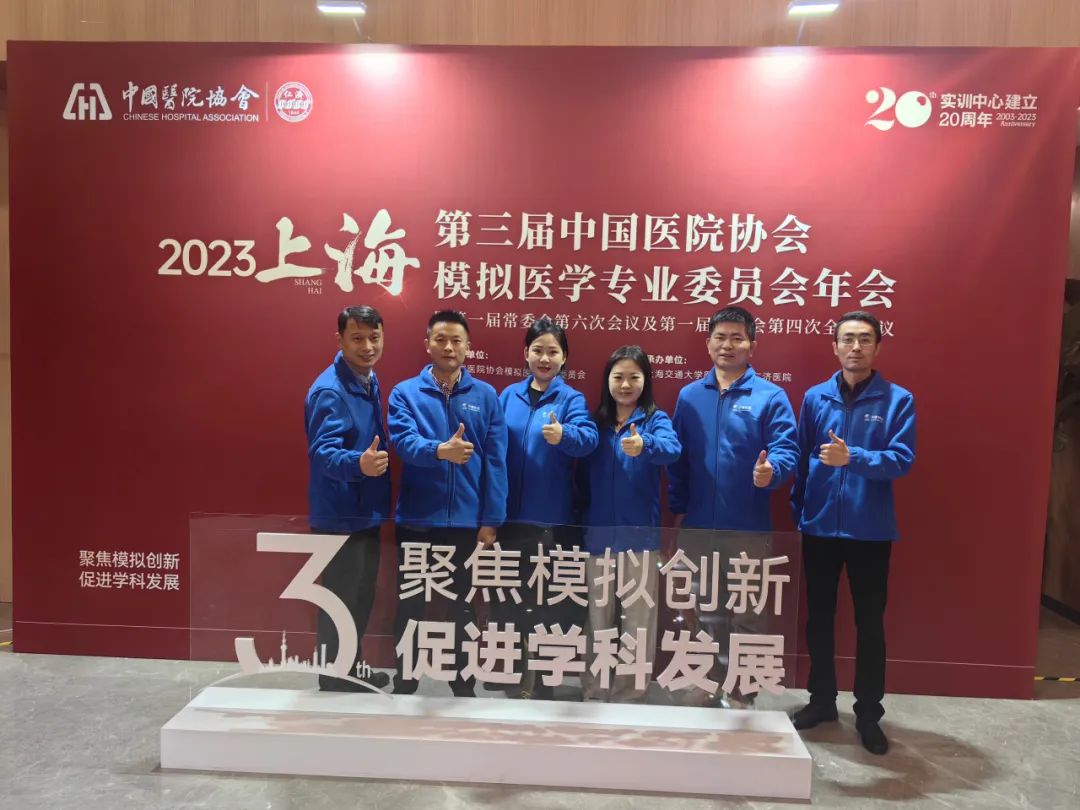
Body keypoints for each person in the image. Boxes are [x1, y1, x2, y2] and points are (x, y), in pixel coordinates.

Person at [790, 311, 916, 755]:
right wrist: (801, 512)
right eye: (847, 339)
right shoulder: (815, 397)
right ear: (835, 347)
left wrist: (854, 458)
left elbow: (902, 459)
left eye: (864, 339)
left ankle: (867, 714)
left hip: (870, 531)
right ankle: (822, 701)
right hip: (820, 526)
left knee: (869, 624)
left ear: (878, 347)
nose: (855, 347)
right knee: (819, 618)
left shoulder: (897, 400)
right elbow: (802, 457)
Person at [666, 305, 799, 704]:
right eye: (720, 337)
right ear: (708, 343)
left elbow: (786, 449)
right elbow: (678, 460)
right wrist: (679, 512)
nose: (728, 345)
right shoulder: (690, 396)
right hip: (697, 528)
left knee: (748, 615)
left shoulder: (770, 396)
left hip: (747, 529)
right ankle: (709, 686)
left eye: (737, 338)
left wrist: (772, 471)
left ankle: (743, 696)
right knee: (705, 613)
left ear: (752, 346)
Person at [387, 309, 508, 696]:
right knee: (411, 604)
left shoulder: (486, 396)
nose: (449, 347)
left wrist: (492, 519)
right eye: (440, 339)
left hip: (466, 526)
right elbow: (403, 443)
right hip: (418, 521)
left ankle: (463, 683)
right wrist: (440, 450)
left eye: (457, 340)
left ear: (468, 347)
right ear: (427, 344)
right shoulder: (405, 393)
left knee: (463, 608)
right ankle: (405, 680)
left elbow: (496, 462)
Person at [497, 317, 598, 699]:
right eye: (537, 350)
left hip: (552, 523)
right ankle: (512, 680)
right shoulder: (508, 396)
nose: (544, 358)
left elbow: (588, 440)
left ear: (564, 357)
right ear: (525, 353)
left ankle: (543, 684)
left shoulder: (571, 399)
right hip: (510, 520)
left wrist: (564, 434)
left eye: (552, 351)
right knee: (511, 603)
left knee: (548, 608)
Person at [579, 346, 681, 702]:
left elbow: (672, 449)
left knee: (638, 623)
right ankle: (595, 691)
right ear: (607, 380)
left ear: (645, 381)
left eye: (634, 377)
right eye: (618, 377)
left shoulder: (655, 420)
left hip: (640, 539)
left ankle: (629, 696)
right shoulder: (594, 424)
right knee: (597, 621)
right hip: (598, 539)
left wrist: (646, 444)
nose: (625, 385)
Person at [304, 305, 392, 691]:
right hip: (340, 515)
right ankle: (335, 676)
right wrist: (359, 463)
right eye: (357, 338)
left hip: (363, 511)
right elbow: (323, 454)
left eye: (374, 337)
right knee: (341, 599)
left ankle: (350, 668)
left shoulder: (366, 378)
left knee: (359, 596)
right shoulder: (330, 390)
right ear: (339, 340)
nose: (367, 346)